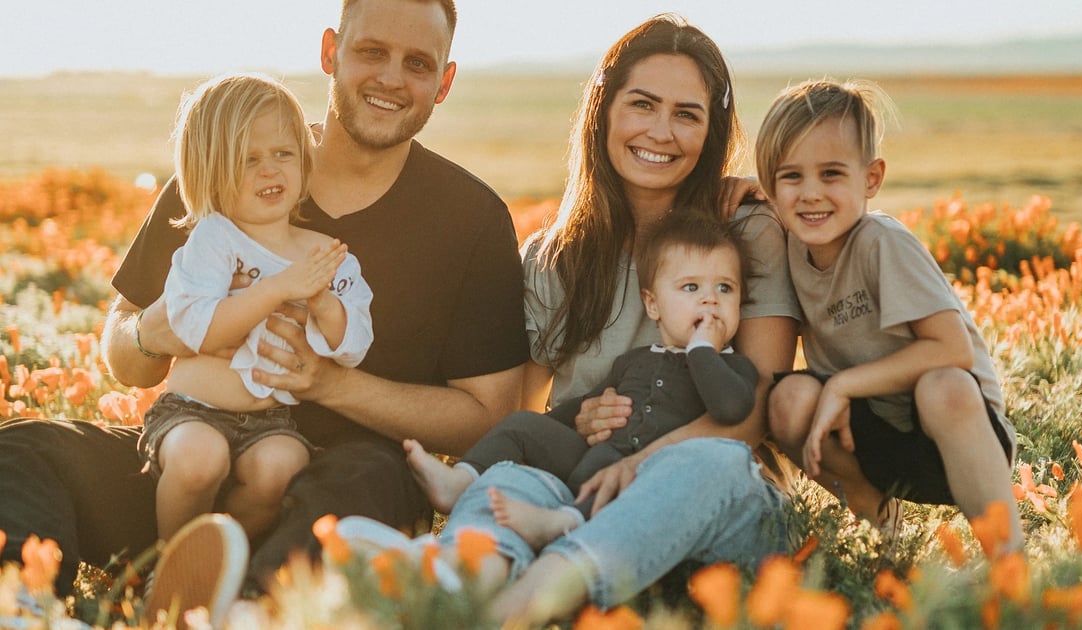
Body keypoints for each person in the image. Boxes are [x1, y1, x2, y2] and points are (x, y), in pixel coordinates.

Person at [0, 0, 528, 624]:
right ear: (331, 51)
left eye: (417, 63)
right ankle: (23, 608)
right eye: (371, 52)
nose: (391, 77)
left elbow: (486, 418)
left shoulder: (471, 220)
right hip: (188, 463)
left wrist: (329, 383)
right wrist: (154, 330)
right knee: (25, 450)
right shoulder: (228, 164)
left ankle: (235, 607)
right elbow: (124, 358)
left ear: (443, 83)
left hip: (329, 489)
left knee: (372, 477)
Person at [389, 14, 800, 626]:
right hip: (582, 487)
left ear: (710, 132)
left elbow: (753, 416)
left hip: (714, 501)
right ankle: (454, 590)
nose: (661, 132)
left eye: (687, 114)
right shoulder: (554, 257)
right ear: (604, 110)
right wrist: (575, 418)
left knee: (705, 463)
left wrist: (640, 463)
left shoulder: (744, 233)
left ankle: (516, 609)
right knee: (510, 475)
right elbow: (519, 413)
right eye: (642, 105)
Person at [753, 78, 1023, 552]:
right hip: (871, 440)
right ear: (771, 185)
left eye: (832, 174)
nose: (811, 193)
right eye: (791, 177)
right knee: (788, 399)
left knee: (944, 386)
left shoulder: (882, 243)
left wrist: (842, 384)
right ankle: (882, 528)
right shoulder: (789, 244)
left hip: (955, 436)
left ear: (871, 179)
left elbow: (952, 349)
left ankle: (1008, 560)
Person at [404, 211, 758, 548]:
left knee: (616, 479)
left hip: (649, 480)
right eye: (691, 287)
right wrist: (557, 425)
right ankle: (460, 480)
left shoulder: (735, 369)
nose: (710, 299)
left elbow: (730, 407)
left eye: (725, 289)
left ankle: (562, 522)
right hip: (591, 458)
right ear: (653, 305)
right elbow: (583, 406)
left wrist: (702, 350)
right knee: (523, 425)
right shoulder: (635, 360)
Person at [140, 72, 374, 543]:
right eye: (248, 160)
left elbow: (353, 345)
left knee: (283, 467)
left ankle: (222, 558)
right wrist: (276, 288)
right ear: (210, 172)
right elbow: (198, 330)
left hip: (270, 420)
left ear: (304, 163)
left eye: (283, 154)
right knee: (199, 460)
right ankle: (168, 563)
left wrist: (321, 302)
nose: (270, 171)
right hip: (191, 410)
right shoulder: (212, 239)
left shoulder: (325, 252)